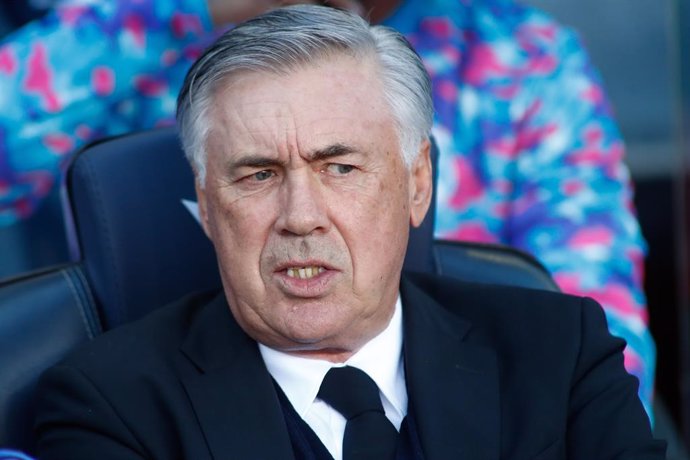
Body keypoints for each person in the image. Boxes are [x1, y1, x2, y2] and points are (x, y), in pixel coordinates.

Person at [34, 5, 665, 459]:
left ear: (418, 185)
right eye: (257, 175)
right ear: (206, 202)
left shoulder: (559, 352)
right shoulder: (109, 404)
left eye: (340, 167)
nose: (301, 215)